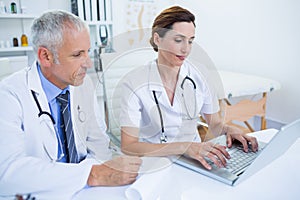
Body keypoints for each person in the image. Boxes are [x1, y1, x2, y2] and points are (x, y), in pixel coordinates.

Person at [0, 10, 141, 199]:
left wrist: (102, 174)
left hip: (86, 192)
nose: (88, 64)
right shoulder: (9, 94)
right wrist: (91, 175)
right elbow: (7, 173)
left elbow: (99, 144)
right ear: (46, 56)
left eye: (88, 52)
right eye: (77, 55)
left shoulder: (83, 84)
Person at [119, 6, 258, 170]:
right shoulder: (134, 82)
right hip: (153, 161)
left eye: (190, 41)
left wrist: (229, 129)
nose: (186, 49)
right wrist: (184, 147)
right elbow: (129, 146)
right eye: (178, 40)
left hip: (195, 160)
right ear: (157, 39)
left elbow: (214, 123)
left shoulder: (200, 75)